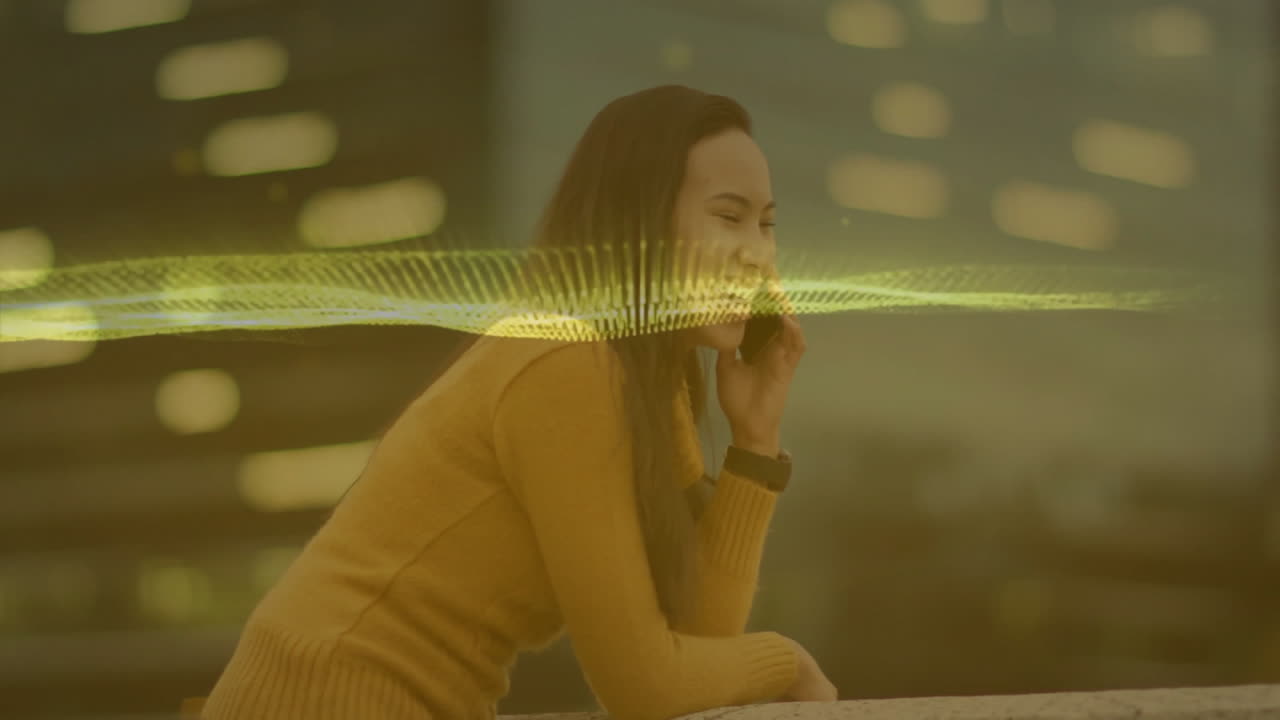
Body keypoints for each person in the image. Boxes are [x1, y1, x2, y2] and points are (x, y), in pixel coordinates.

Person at [200, 85, 837, 720]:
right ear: (638, 218)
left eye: (767, 223)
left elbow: (698, 652)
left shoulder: (644, 386)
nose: (757, 254)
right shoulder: (566, 359)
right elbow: (647, 688)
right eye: (729, 217)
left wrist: (754, 443)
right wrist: (785, 660)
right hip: (325, 700)